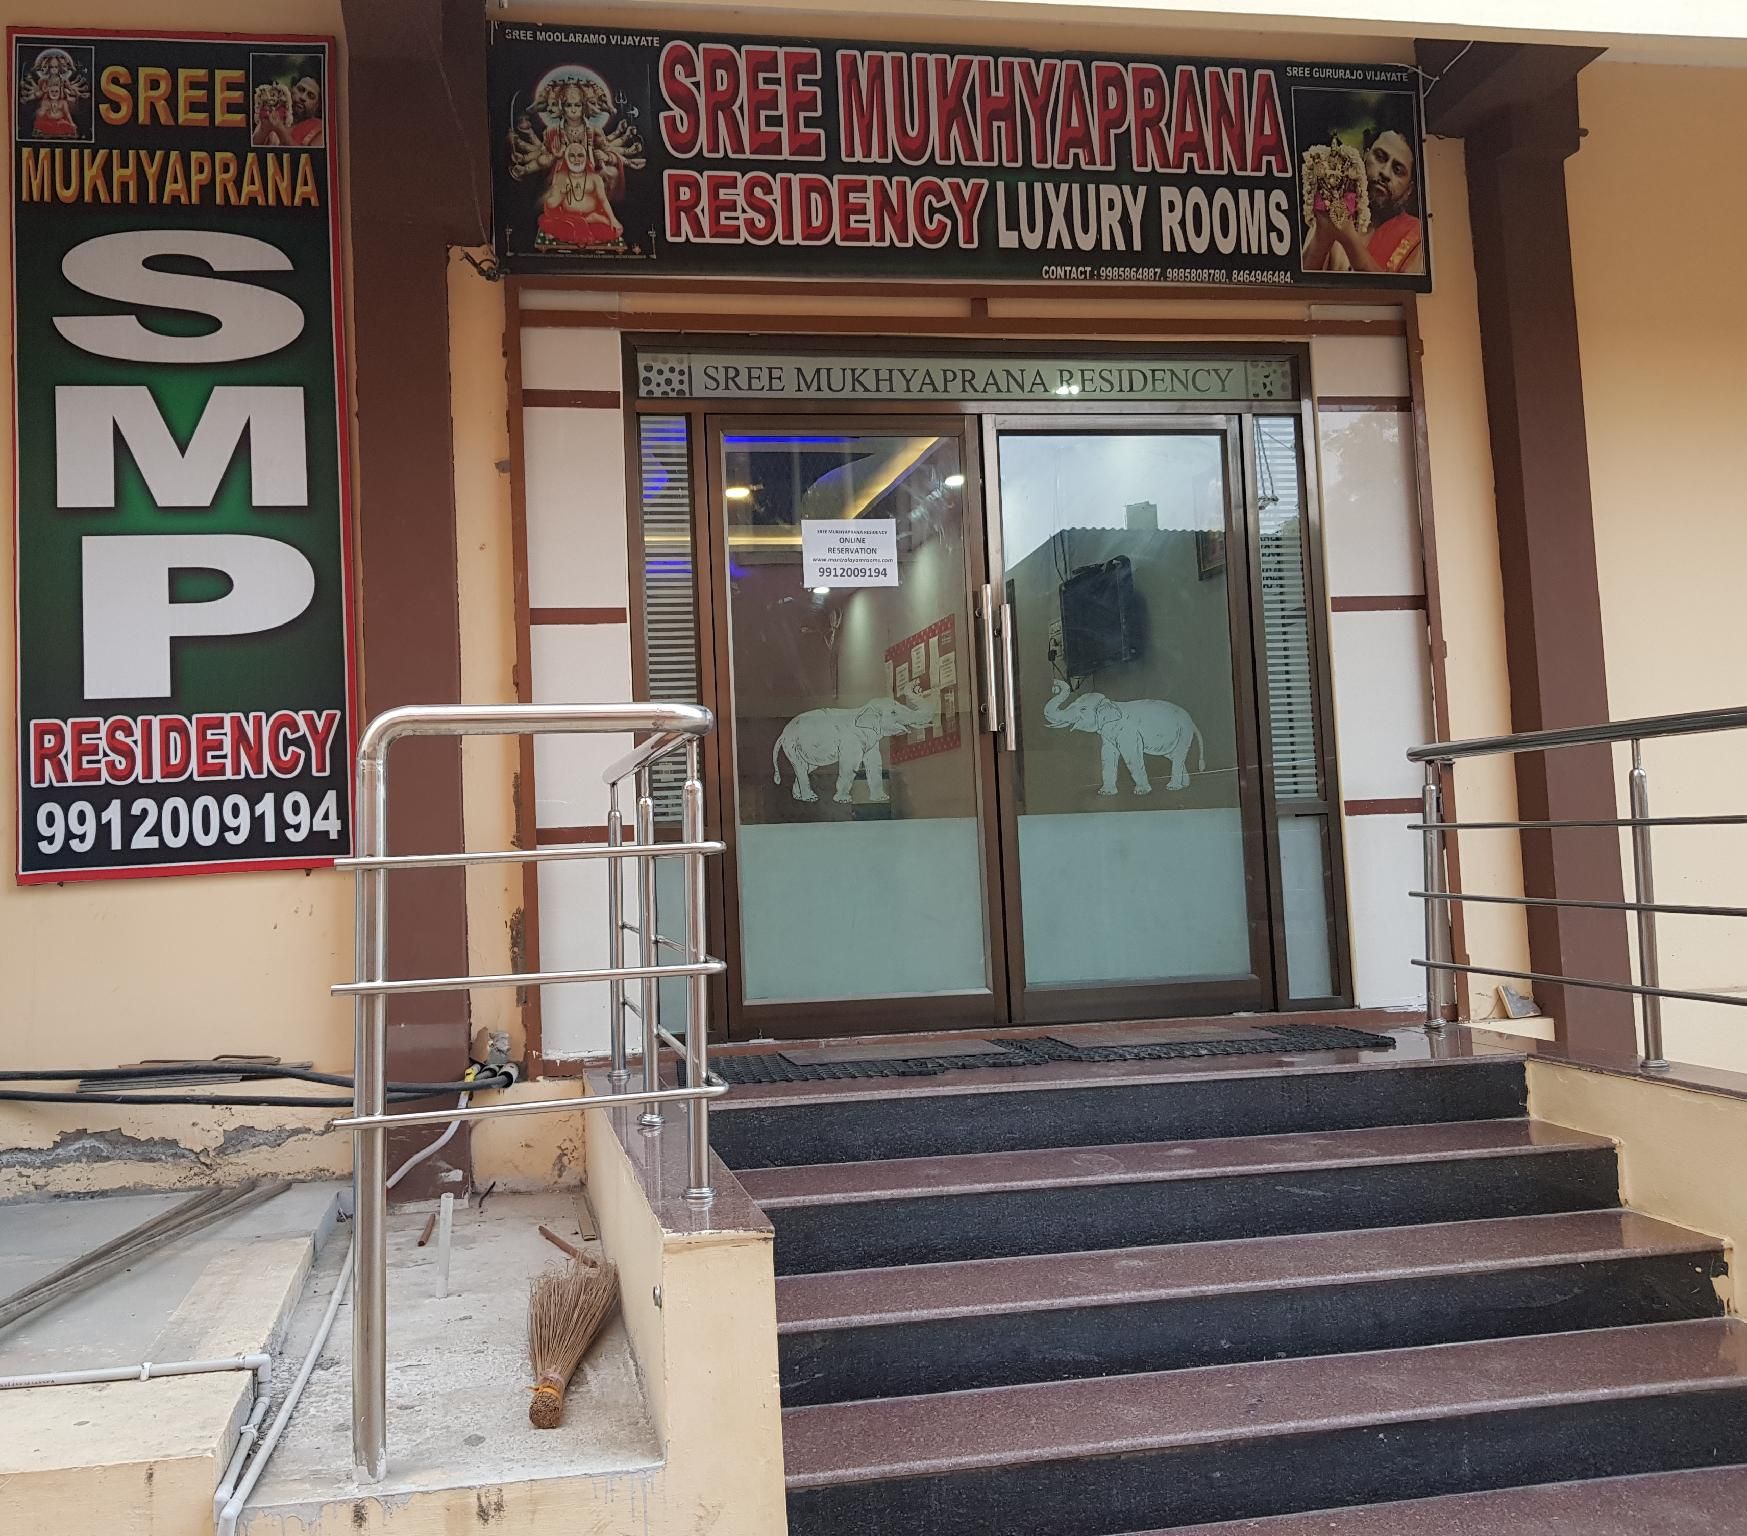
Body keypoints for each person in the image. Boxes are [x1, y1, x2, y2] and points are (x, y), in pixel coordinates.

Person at [1301, 113, 1424, 277]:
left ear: (1409, 189)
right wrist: (1323, 235)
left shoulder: (1416, 236)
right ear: (1365, 156)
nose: (1385, 173)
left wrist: (1349, 241)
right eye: (1380, 158)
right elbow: (1298, 289)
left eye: (1398, 170)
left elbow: (1402, 296)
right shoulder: (1336, 207)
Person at [289, 75, 324, 148]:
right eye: (301, 90)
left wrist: (279, 129)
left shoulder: (319, 131)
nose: (303, 97)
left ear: (317, 106)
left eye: (310, 96)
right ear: (292, 89)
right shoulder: (277, 114)